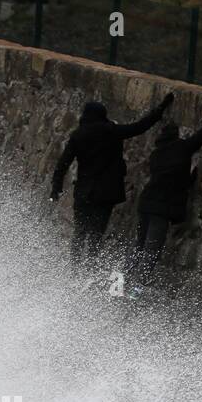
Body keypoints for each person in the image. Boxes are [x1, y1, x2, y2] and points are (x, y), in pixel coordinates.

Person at [50, 93, 175, 271]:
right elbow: (139, 127)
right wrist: (160, 109)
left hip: (84, 193)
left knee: (80, 232)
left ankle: (75, 268)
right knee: (96, 234)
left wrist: (56, 189)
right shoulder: (111, 131)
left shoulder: (78, 135)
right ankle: (90, 269)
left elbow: (62, 164)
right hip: (105, 194)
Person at [132, 96, 202, 287]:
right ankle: (137, 288)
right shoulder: (183, 148)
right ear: (176, 136)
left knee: (139, 246)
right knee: (151, 251)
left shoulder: (156, 155)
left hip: (146, 203)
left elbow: (167, 177)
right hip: (162, 209)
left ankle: (124, 282)